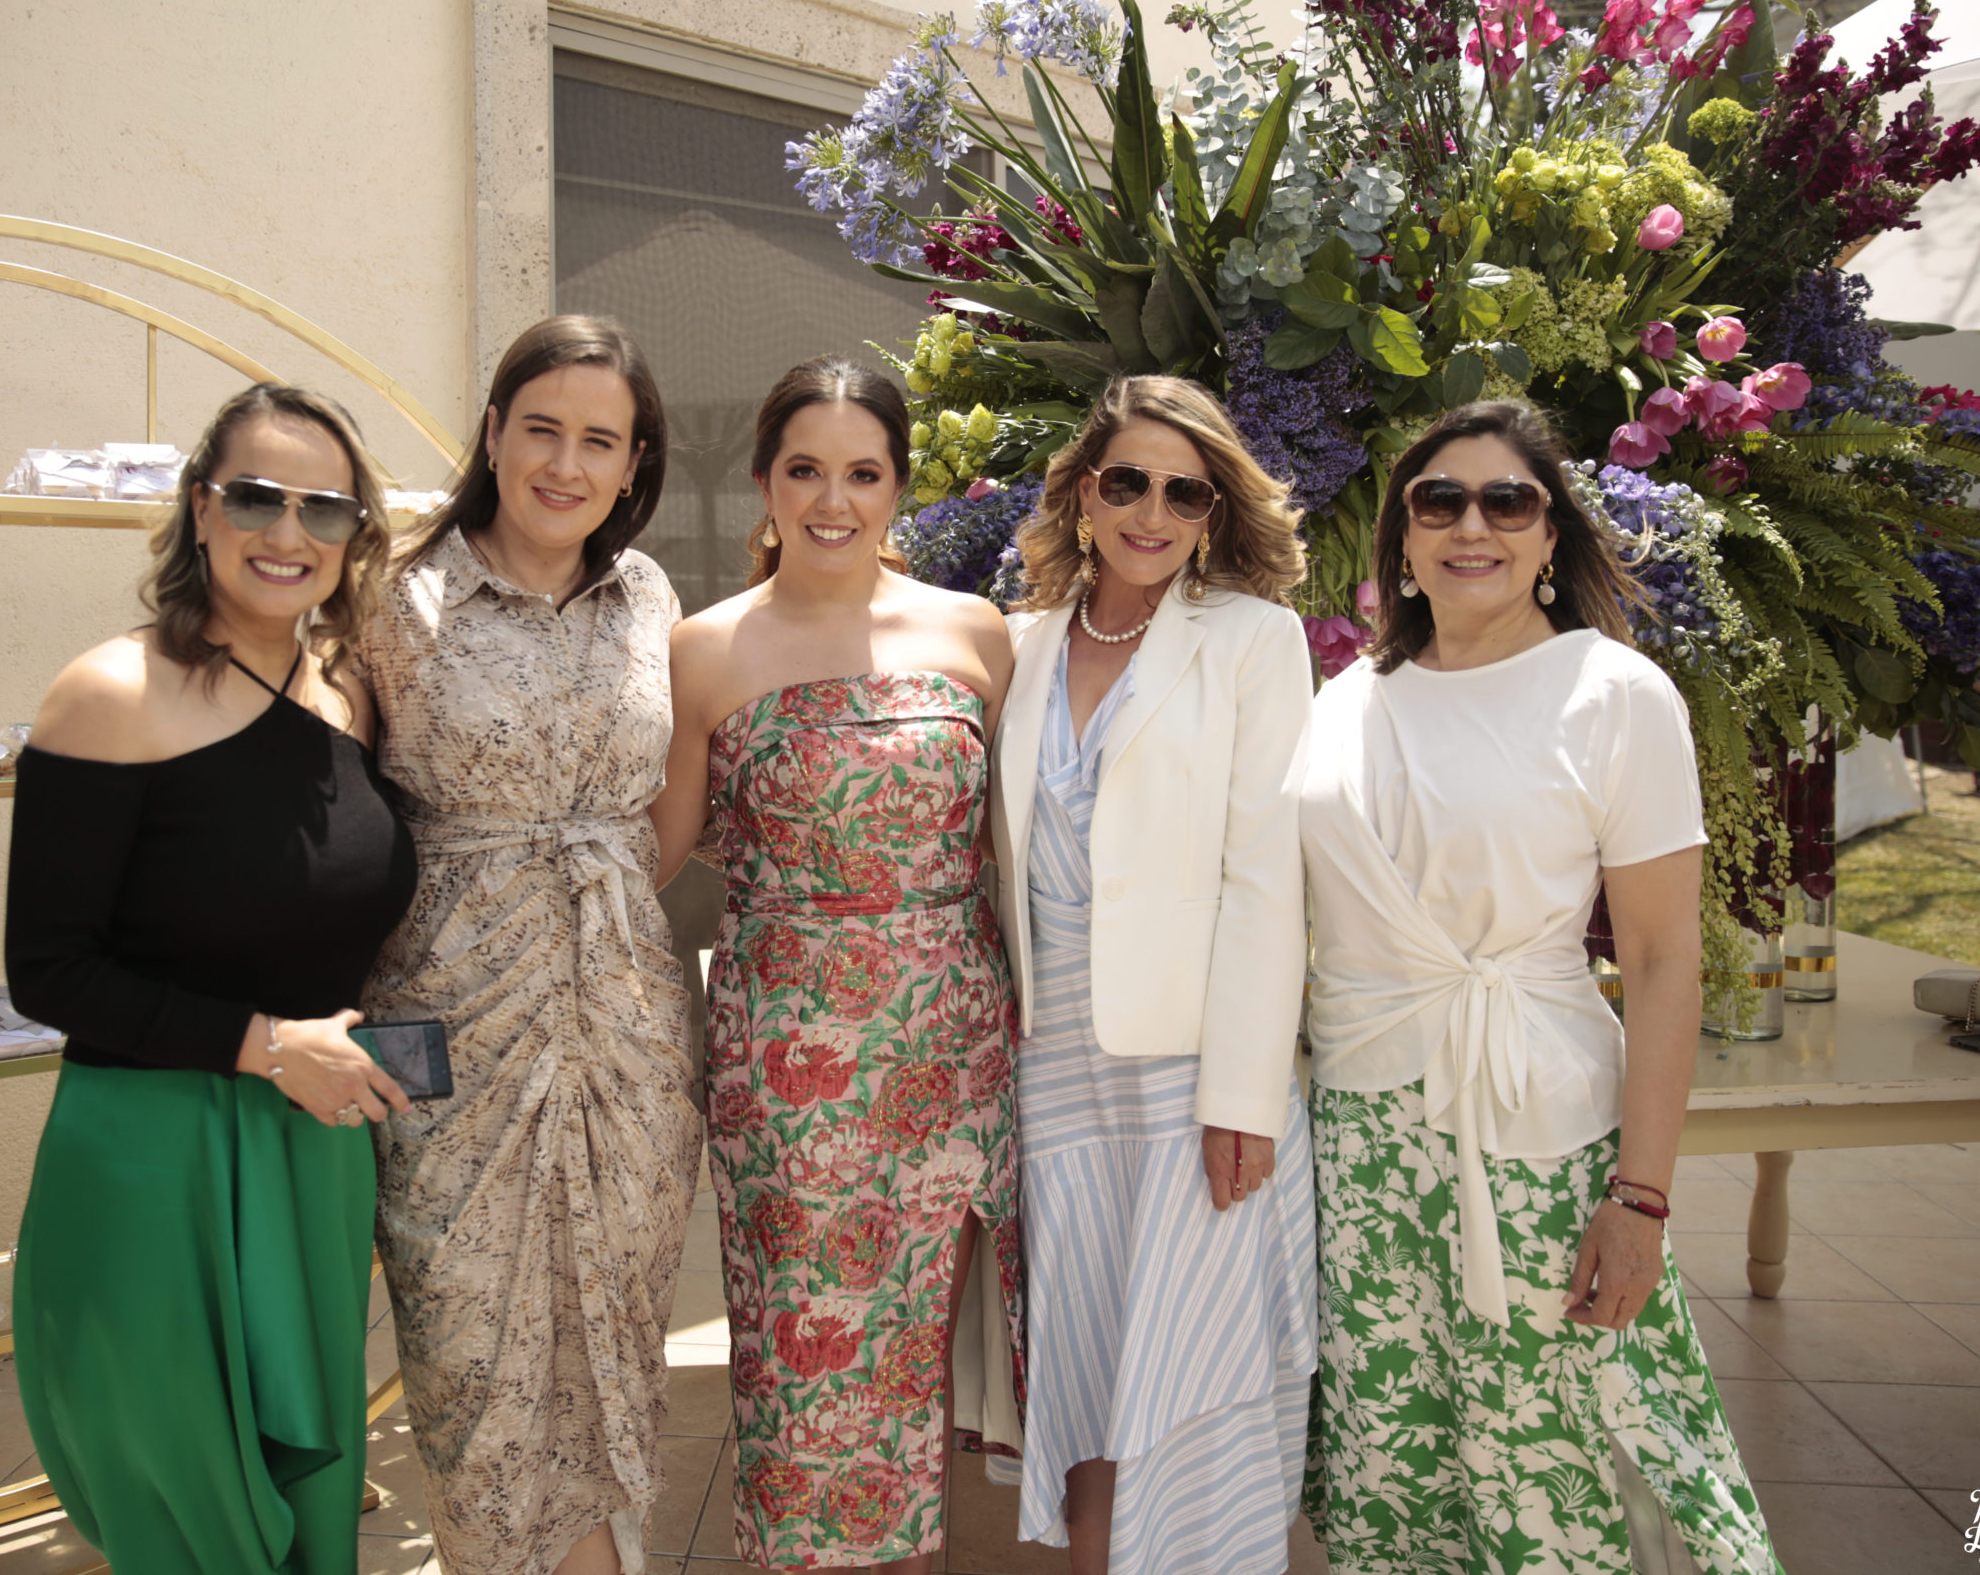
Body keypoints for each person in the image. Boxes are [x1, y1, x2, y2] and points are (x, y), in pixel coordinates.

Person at [1299, 401, 1780, 1572]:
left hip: (1536, 1140)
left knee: (1556, 1455)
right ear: (1399, 540)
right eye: (1439, 500)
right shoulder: (1344, 699)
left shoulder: (1613, 695)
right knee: (1391, 1463)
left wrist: (1644, 1197)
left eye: (1506, 501)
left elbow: (1663, 961)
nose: (1473, 526)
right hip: (1360, 1145)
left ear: (1550, 535)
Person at [5, 382, 418, 1575]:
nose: (288, 535)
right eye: (255, 498)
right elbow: (47, 969)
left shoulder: (348, 690)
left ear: (355, 539)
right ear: (200, 511)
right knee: (192, 1499)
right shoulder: (109, 694)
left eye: (326, 511)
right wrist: (264, 1047)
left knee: (314, 1487)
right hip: (152, 1151)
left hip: (313, 1149)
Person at [652, 356, 1023, 1574]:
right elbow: (650, 857)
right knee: (802, 1380)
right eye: (804, 468)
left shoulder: (976, 634)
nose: (832, 499)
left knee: (913, 1375)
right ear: (763, 481)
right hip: (788, 1065)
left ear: (899, 489)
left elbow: (1013, 854)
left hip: (948, 1058)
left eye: (863, 472)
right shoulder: (703, 650)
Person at [359, 315, 702, 1575]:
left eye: (597, 441)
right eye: (541, 428)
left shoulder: (649, 595)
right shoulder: (389, 592)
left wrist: (589, 901)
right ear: (495, 433)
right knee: (472, 1361)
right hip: (446, 1034)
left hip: (624, 1038)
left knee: (613, 1345)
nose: (565, 463)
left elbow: (665, 807)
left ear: (633, 462)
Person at [988, 376, 1319, 1575]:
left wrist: (1242, 1092)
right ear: (1085, 492)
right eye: (1126, 481)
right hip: (1054, 1069)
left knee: (1191, 1372)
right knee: (1083, 1368)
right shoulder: (1015, 644)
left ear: (1211, 512)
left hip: (1194, 1072)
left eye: (1183, 492)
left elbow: (1266, 881)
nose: (1151, 510)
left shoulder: (1251, 641)